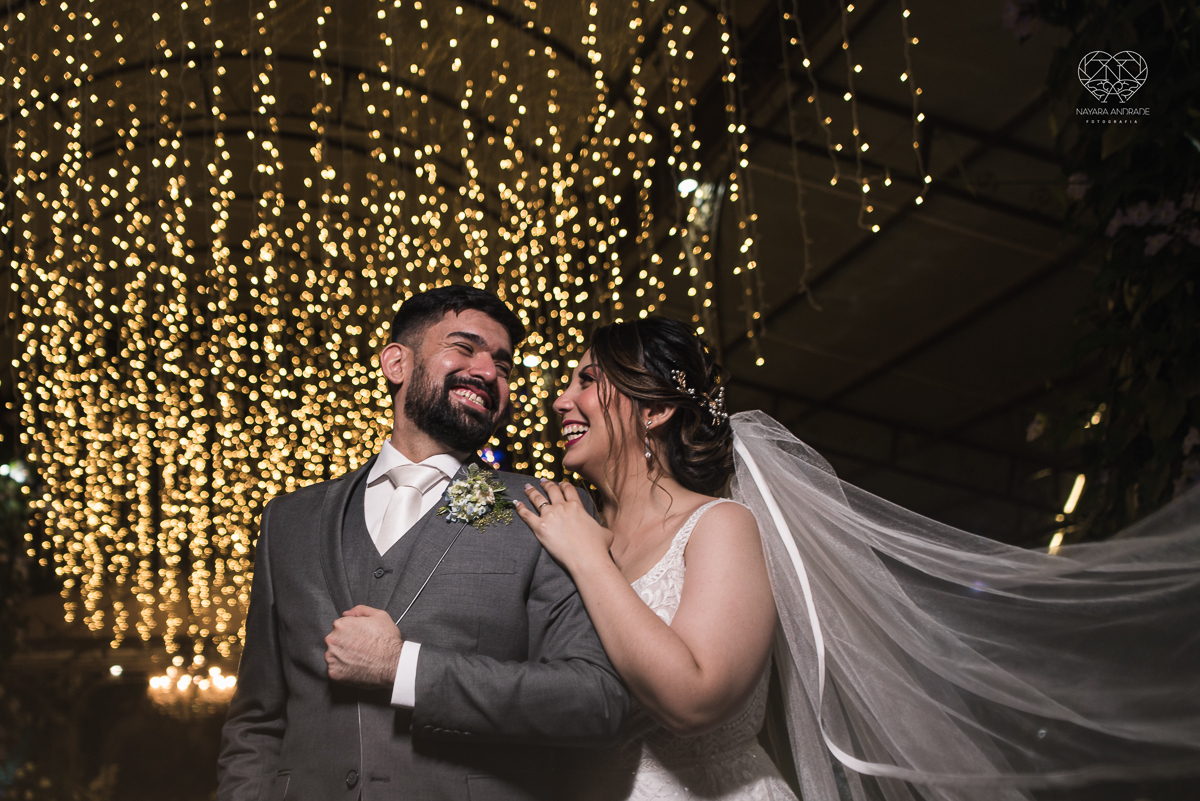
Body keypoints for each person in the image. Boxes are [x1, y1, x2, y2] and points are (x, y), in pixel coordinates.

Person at [519, 316, 1200, 801]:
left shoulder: (719, 526)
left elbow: (697, 694)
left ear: (657, 408)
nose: (559, 399)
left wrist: (589, 560)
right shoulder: (572, 534)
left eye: (586, 379)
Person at [217, 286, 629, 801]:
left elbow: (594, 701)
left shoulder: (545, 508)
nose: (487, 372)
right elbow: (256, 721)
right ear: (396, 362)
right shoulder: (288, 520)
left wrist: (405, 668)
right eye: (464, 347)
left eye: (503, 365)